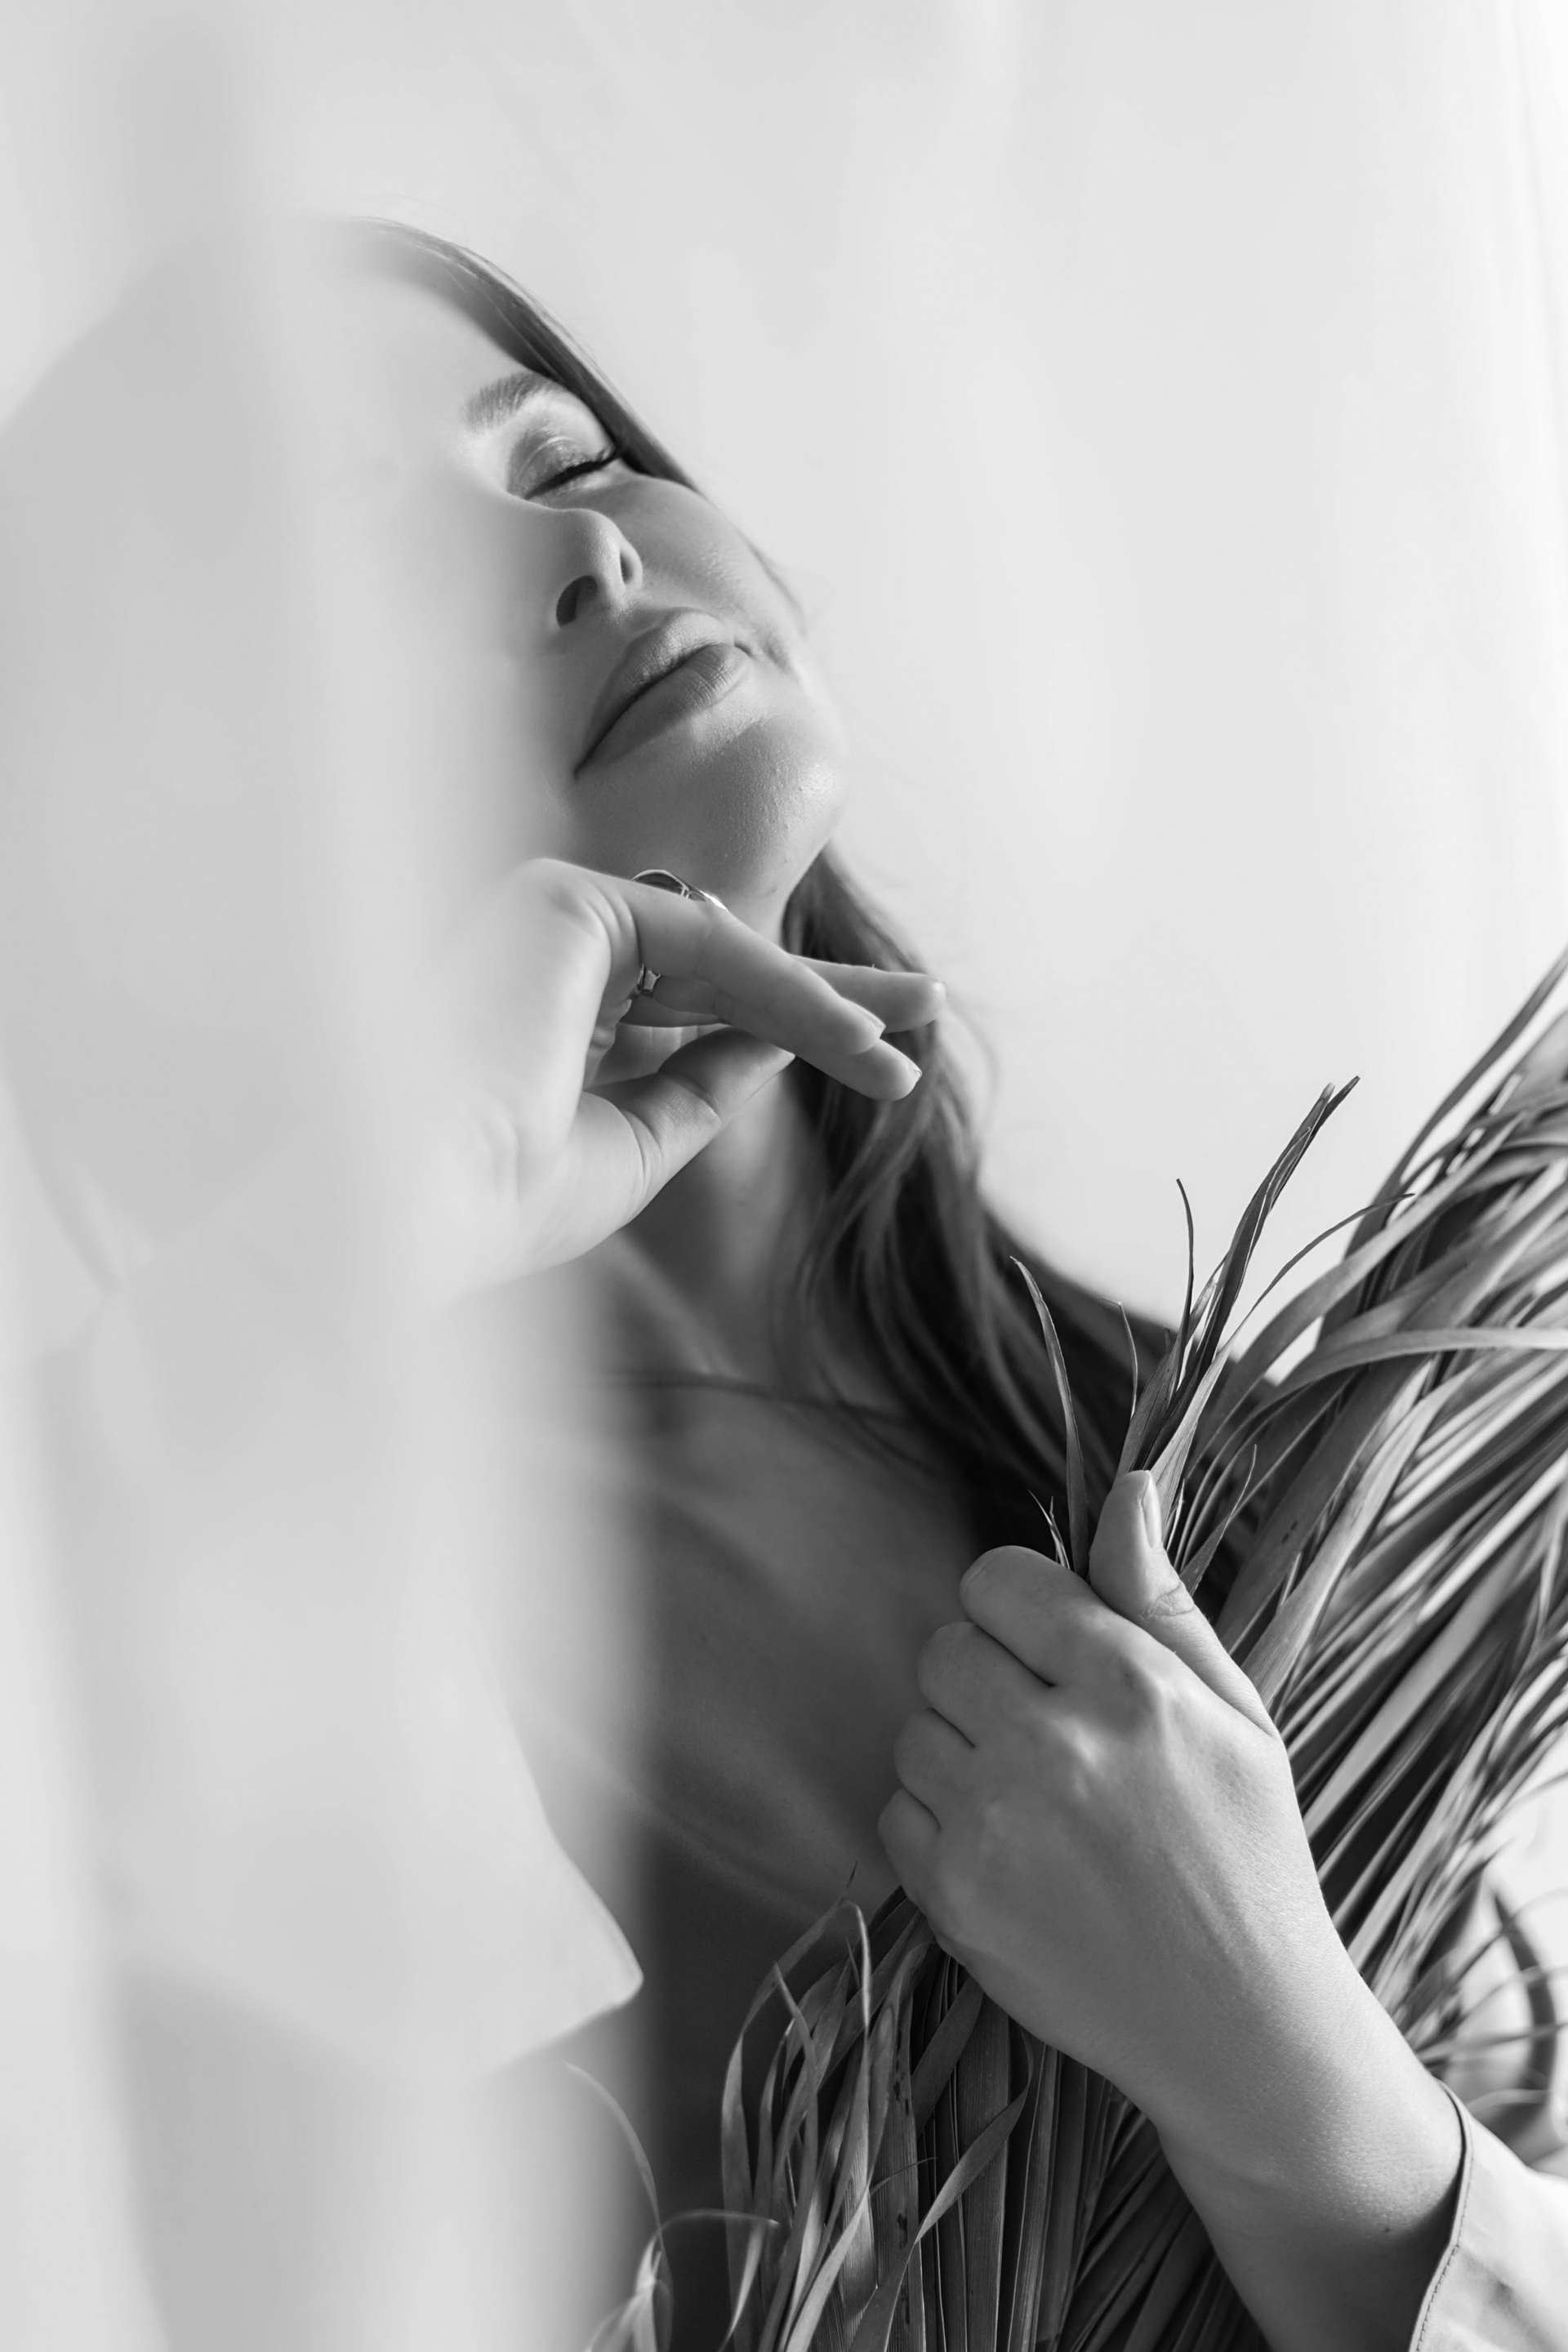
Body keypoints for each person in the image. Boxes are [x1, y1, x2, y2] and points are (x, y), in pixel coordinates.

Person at [4, 222, 1566, 2352]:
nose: (583, 558)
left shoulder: (1224, 1462)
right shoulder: (215, 1683)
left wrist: (1291, 2082)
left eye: (564, 461)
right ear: (177, 929)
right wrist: (403, 1191)